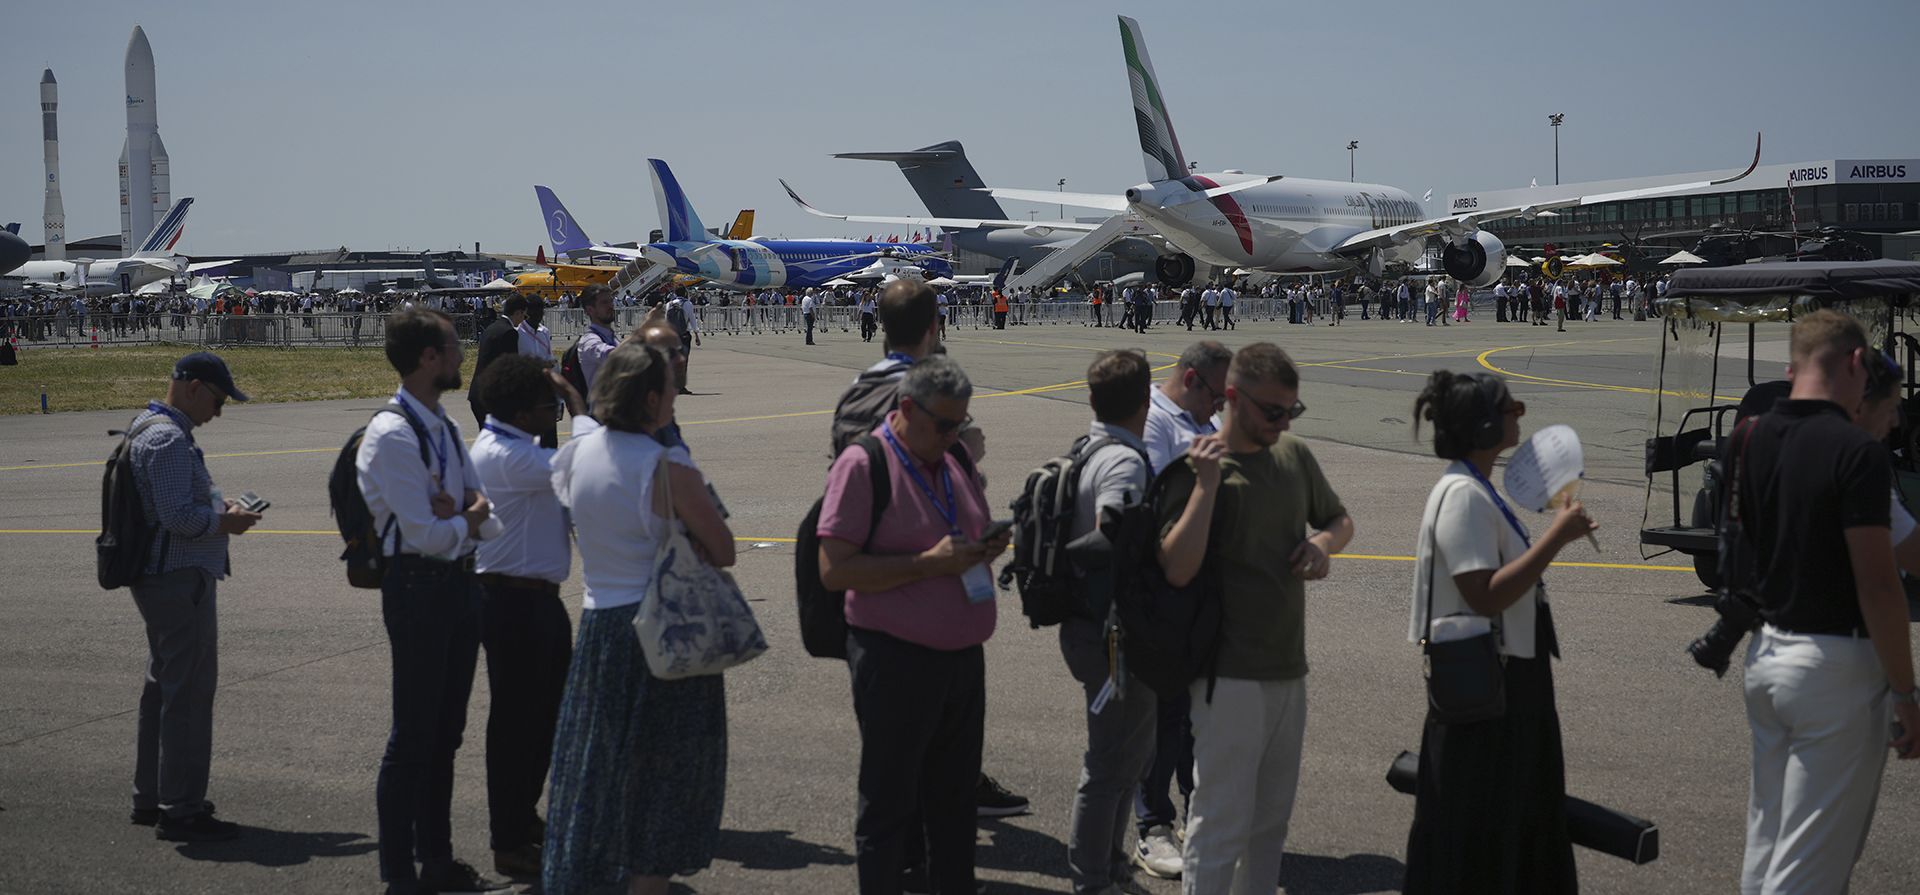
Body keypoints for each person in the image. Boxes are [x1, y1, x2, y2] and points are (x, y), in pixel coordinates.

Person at [1155, 343, 1355, 895]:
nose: (1284, 422)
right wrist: (1206, 486)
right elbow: (1175, 567)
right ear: (1234, 399)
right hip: (1226, 676)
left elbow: (1339, 519)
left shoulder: (1293, 456)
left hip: (1288, 668)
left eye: (1292, 411)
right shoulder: (1197, 467)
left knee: (1270, 826)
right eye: (1273, 411)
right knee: (1219, 823)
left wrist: (1322, 543)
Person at [1729, 311, 1918, 894]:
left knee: (1768, 844)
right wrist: (1906, 693)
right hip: (1833, 667)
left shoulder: (1752, 435)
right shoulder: (1856, 453)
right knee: (1812, 865)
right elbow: (1879, 584)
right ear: (1855, 363)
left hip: (1767, 656)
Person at [544, 342, 735, 895]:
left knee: (597, 765)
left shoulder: (578, 453)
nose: (676, 395)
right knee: (666, 774)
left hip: (600, 623)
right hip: (660, 625)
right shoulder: (665, 465)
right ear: (651, 398)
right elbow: (722, 548)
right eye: (671, 388)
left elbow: (577, 483)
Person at [818, 356, 1012, 895]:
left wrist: (982, 548)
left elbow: (960, 531)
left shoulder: (950, 460)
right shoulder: (864, 465)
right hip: (894, 659)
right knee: (889, 805)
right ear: (906, 409)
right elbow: (834, 570)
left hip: (961, 662)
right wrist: (929, 564)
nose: (955, 435)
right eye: (946, 425)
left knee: (953, 809)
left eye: (961, 425)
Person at [1400, 371, 1596, 895]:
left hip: (1510, 683)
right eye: (1513, 408)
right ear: (1487, 424)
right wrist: (1557, 537)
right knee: (1478, 828)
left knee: (1510, 823)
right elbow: (1482, 593)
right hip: (1490, 691)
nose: (1521, 415)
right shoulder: (1462, 494)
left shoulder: (1478, 488)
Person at [358, 306, 504, 895]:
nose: (462, 354)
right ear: (427, 358)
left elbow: (483, 516)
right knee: (413, 736)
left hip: (459, 584)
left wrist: (464, 514)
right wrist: (465, 517)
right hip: (417, 587)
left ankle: (436, 858)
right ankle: (400, 873)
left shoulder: (441, 426)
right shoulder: (392, 435)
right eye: (452, 346)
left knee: (446, 734)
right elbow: (425, 532)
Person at [126, 352, 260, 843]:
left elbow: (176, 505)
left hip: (165, 577)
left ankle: (151, 795)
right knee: (187, 694)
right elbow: (178, 520)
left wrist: (215, 506)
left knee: (162, 686)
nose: (218, 413)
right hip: (178, 578)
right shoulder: (166, 438)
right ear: (193, 387)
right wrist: (227, 522)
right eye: (218, 401)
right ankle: (180, 808)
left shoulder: (149, 427)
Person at [470, 354, 591, 880]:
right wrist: (582, 404)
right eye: (550, 404)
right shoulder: (505, 455)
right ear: (523, 411)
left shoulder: (517, 445)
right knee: (518, 726)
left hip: (534, 600)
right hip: (515, 604)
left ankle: (522, 820)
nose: (557, 410)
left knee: (540, 722)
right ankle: (509, 837)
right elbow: (586, 466)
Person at [1130, 340, 1229, 881]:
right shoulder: (1156, 423)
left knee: (1198, 718)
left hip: (1203, 588)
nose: (1220, 408)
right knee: (1163, 719)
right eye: (1217, 395)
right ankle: (1152, 825)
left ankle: (1197, 814)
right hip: (1164, 591)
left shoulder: (1198, 419)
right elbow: (1153, 502)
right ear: (1191, 379)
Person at [1060, 350, 1158, 895]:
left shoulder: (1088, 447)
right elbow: (1112, 537)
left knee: (1127, 760)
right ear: (1146, 402)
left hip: (1093, 627)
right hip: (1112, 634)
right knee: (1109, 765)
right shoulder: (1122, 462)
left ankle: (1111, 867)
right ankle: (1092, 881)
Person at [471, 295, 528, 427]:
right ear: (518, 313)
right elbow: (510, 369)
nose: (522, 321)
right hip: (490, 396)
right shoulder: (509, 333)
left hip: (478, 393)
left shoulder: (492, 328)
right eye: (524, 316)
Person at [575, 285, 619, 394]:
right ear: (590, 310)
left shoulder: (612, 338)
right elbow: (612, 355)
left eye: (611, 301)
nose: (611, 306)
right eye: (604, 303)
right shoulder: (589, 341)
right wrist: (642, 332)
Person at [664, 291, 701, 392]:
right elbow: (692, 319)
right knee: (683, 361)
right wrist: (697, 334)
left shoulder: (669, 304)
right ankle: (680, 386)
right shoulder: (688, 304)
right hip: (684, 335)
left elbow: (666, 320)